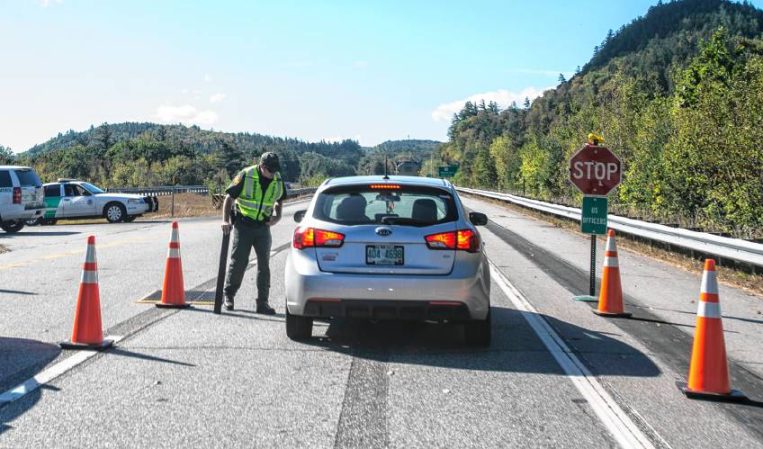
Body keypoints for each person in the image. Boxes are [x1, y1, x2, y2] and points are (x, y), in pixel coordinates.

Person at [220, 152, 286, 314]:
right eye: (270, 170)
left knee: (264, 266)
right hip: (244, 225)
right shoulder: (246, 175)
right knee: (239, 262)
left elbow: (279, 199)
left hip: (263, 227)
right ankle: (229, 295)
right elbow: (229, 198)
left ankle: (262, 303)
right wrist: (225, 220)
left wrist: (278, 217)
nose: (273, 174)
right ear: (262, 167)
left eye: (275, 170)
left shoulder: (277, 178)